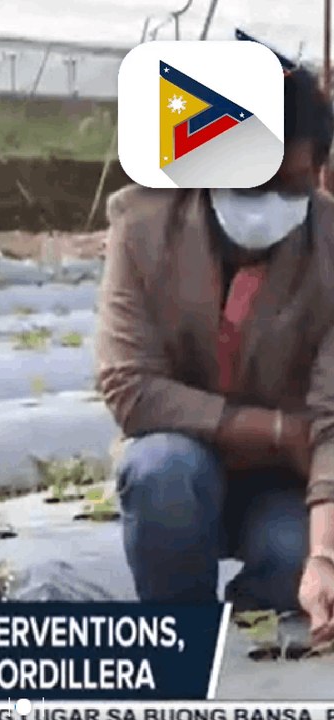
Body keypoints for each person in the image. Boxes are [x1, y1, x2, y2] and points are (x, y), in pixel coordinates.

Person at [95, 50, 334, 641]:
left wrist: (325, 557)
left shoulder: (329, 249)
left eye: (293, 186)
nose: (270, 204)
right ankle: (178, 634)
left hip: (281, 482)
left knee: (289, 563)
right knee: (162, 471)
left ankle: (239, 629)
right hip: (183, 464)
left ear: (318, 176)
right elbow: (130, 386)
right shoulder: (144, 225)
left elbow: (331, 417)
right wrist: (277, 428)